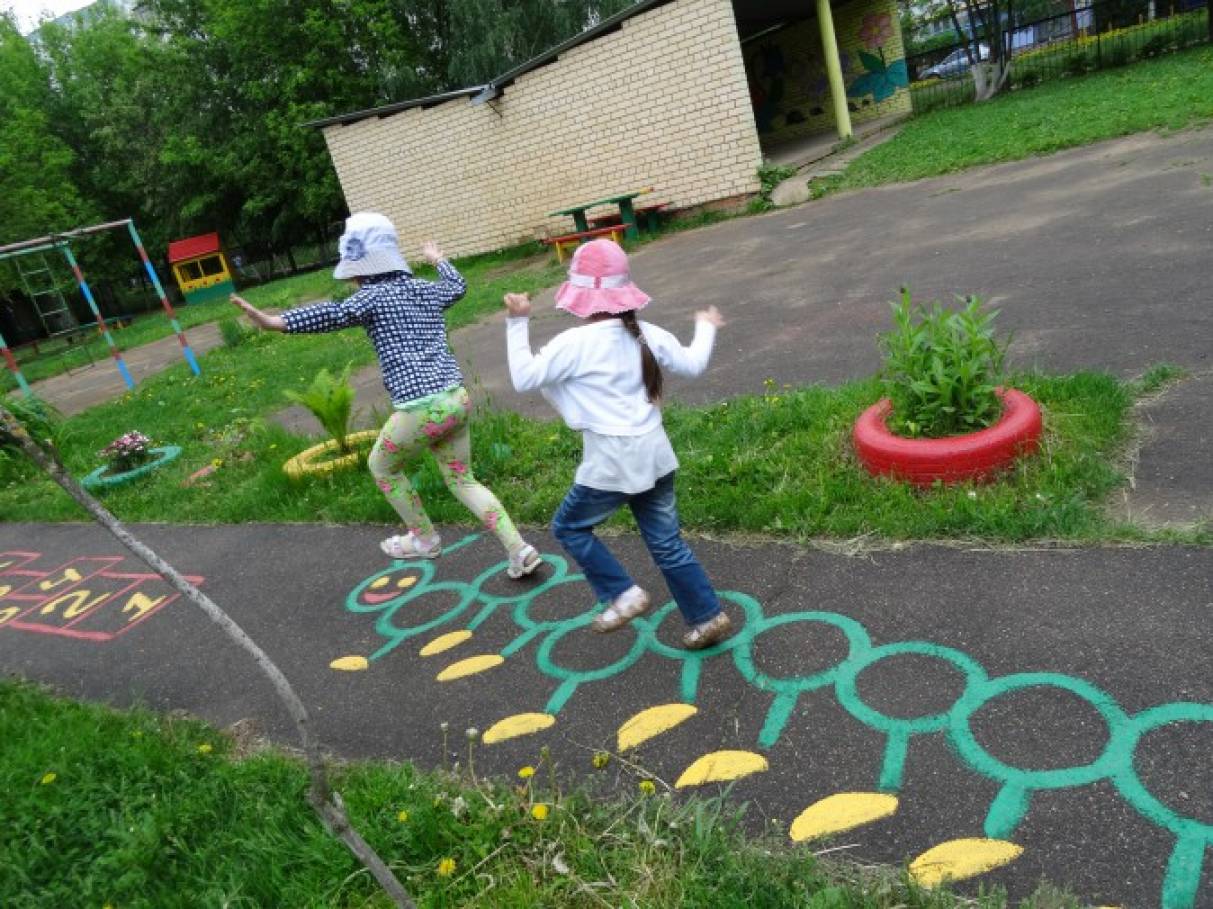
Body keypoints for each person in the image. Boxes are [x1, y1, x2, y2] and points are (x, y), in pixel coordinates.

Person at [230, 212, 541, 578]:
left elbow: (331, 314)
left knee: (382, 467)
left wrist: (275, 322)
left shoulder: (370, 298)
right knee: (463, 480)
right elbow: (457, 287)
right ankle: (519, 549)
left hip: (420, 409)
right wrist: (438, 259)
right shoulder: (424, 289)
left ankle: (424, 539)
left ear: (359, 268)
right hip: (455, 399)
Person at [503, 238, 731, 650]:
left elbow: (524, 378)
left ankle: (622, 593)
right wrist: (705, 326)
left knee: (569, 527)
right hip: (656, 455)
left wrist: (517, 322)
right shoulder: (646, 333)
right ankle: (707, 615)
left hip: (613, 461)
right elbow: (693, 364)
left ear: (579, 296)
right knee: (666, 543)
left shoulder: (573, 344)